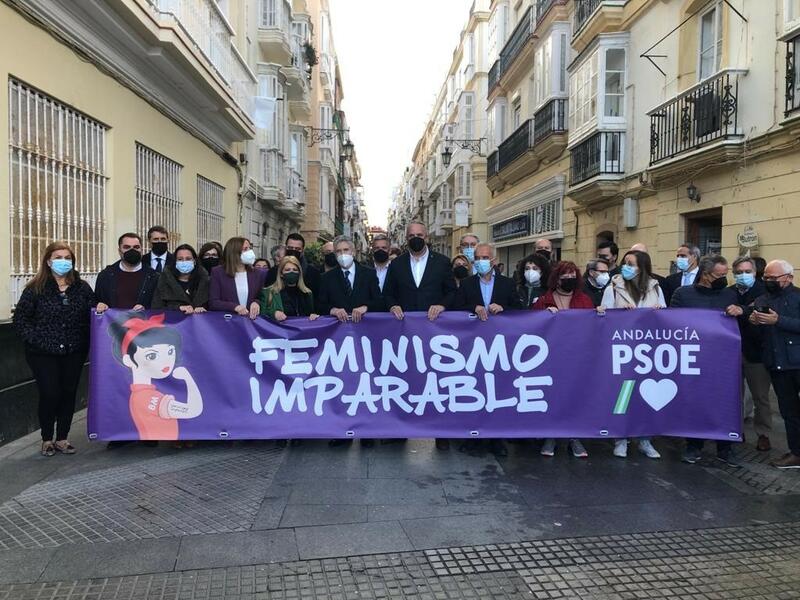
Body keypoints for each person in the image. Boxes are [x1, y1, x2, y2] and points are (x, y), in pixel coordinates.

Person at [13, 241, 95, 456]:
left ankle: (62, 438)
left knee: (68, 393)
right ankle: (47, 438)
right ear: (48, 262)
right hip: (43, 353)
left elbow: (92, 312)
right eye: (58, 257)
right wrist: (36, 340)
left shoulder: (82, 288)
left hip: (74, 351)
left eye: (67, 258)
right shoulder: (35, 289)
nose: (63, 262)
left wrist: (100, 308)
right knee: (50, 393)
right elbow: (20, 319)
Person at [383, 221, 457, 450]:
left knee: (437, 380)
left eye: (420, 235)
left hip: (435, 334)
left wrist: (442, 306)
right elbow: (388, 293)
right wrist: (392, 305)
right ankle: (401, 430)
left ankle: (441, 432)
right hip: (404, 334)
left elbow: (452, 292)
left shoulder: (442, 263)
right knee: (405, 380)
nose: (416, 238)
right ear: (406, 239)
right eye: (411, 235)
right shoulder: (396, 265)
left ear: (427, 238)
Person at [671, 255, 743, 466]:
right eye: (720, 275)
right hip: (693, 357)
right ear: (705, 274)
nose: (724, 279)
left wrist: (741, 310)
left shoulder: (729, 294)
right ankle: (694, 445)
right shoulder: (683, 294)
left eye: (726, 274)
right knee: (695, 401)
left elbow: (741, 321)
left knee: (725, 401)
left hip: (722, 359)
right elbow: (672, 322)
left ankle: (725, 447)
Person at [454, 243, 521, 458]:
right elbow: (456, 307)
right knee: (474, 390)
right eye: (478, 257)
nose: (481, 261)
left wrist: (503, 308)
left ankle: (496, 438)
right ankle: (473, 436)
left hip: (500, 347)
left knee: (498, 391)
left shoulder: (507, 284)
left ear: (493, 260)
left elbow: (520, 309)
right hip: (472, 348)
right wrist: (473, 307)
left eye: (485, 257)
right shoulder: (466, 284)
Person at [599, 250, 665, 459]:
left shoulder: (655, 287)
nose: (626, 267)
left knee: (646, 396)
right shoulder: (613, 288)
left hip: (648, 353)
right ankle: (621, 438)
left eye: (632, 264)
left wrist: (660, 311)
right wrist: (616, 313)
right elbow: (604, 317)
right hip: (623, 352)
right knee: (623, 396)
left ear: (642, 267)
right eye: (625, 262)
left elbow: (666, 317)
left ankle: (645, 440)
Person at [317, 235, 383, 448]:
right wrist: (332, 310)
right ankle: (342, 431)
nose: (342, 254)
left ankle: (367, 432)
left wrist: (366, 307)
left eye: (346, 250)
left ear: (354, 252)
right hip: (338, 341)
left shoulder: (369, 274)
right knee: (342, 384)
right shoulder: (327, 278)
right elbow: (319, 304)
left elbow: (379, 301)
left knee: (366, 383)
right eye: (338, 251)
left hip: (365, 339)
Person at [532, 261, 593, 458]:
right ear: (556, 279)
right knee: (552, 395)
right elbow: (532, 326)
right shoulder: (544, 301)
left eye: (572, 276)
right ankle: (551, 435)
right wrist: (543, 315)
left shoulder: (585, 301)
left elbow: (593, 328)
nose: (569, 279)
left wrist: (600, 315)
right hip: (551, 356)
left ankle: (574, 437)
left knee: (575, 396)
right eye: (565, 276)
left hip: (577, 357)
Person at [750, 260, 800, 469]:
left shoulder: (798, 297)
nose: (769, 281)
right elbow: (759, 334)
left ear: (789, 277)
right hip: (777, 364)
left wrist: (778, 321)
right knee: (789, 412)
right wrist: (754, 322)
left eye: (773, 278)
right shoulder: (762, 299)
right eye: (766, 277)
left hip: (796, 362)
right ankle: (796, 453)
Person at [730, 257, 772, 451]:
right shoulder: (728, 292)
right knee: (733, 395)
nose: (743, 275)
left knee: (760, 396)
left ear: (755, 273)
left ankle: (763, 434)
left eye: (747, 271)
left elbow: (762, 312)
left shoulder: (765, 291)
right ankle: (736, 429)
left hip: (757, 351)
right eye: (739, 272)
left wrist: (743, 310)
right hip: (731, 350)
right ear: (733, 273)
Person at [95, 232, 160, 313]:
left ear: (141, 250)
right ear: (119, 251)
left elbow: (159, 306)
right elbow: (96, 301)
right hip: (113, 321)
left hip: (142, 320)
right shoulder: (105, 276)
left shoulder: (154, 277)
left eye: (136, 247)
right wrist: (100, 305)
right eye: (127, 247)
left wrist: (146, 309)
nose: (132, 250)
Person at [208, 237, 267, 320]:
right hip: (228, 321)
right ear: (234, 252)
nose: (250, 252)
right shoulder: (218, 272)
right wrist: (235, 307)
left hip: (251, 321)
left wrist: (256, 302)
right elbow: (213, 302)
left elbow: (262, 297)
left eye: (250, 248)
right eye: (245, 249)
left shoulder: (257, 273)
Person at [152, 244, 210, 313]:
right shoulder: (165, 279)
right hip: (173, 319)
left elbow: (212, 305)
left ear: (194, 261)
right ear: (175, 262)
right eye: (180, 259)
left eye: (188, 259)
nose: (184, 262)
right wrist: (178, 308)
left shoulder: (204, 279)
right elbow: (156, 306)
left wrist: (202, 309)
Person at [265, 233, 321, 299]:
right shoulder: (273, 271)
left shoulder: (313, 273)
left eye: (297, 249)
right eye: (290, 248)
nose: (293, 251)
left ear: (302, 250)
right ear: (286, 248)